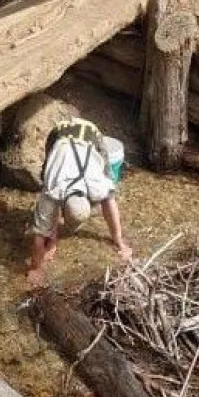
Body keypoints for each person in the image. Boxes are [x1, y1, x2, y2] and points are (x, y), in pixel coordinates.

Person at [26, 117, 132, 288]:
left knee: (109, 185)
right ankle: (53, 237)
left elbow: (110, 204)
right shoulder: (53, 189)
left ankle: (115, 238)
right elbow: (38, 237)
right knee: (45, 220)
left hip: (92, 135)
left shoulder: (98, 184)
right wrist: (36, 268)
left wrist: (119, 241)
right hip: (59, 134)